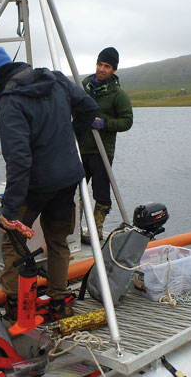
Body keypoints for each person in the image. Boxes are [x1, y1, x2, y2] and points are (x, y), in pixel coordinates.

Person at [0, 47, 98, 320]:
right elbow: (89, 107)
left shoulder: (10, 101)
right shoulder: (56, 80)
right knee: (58, 241)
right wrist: (72, 139)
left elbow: (19, 161)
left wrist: (9, 212)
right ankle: (59, 302)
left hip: (35, 186)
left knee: (13, 242)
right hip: (67, 180)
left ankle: (15, 305)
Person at [79, 47, 133, 243]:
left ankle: (96, 231)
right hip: (79, 148)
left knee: (101, 193)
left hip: (102, 151)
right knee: (74, 190)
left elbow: (127, 121)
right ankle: (73, 230)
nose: (101, 69)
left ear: (114, 70)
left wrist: (105, 124)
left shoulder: (119, 95)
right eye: (100, 64)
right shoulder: (82, 87)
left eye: (107, 66)